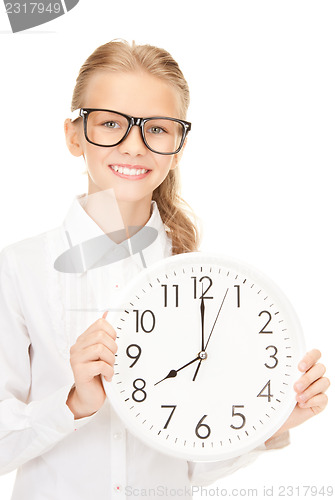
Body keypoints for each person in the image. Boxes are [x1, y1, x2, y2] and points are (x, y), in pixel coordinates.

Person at [0, 39, 330, 500]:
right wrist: (73, 403)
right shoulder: (20, 269)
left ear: (178, 143)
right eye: (111, 123)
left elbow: (187, 462)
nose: (133, 146)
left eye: (156, 129)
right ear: (75, 136)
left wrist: (273, 419)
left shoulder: (199, 279)